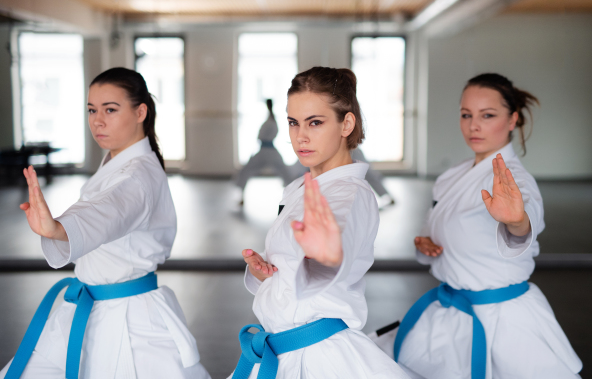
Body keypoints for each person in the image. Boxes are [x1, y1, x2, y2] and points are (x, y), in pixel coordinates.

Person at [0, 68, 210, 379]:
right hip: (87, 307)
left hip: (128, 320)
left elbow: (110, 212)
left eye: (110, 109)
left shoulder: (137, 177)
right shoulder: (119, 161)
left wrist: (58, 229)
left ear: (140, 112)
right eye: (92, 110)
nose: (98, 120)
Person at [371, 73, 582, 378]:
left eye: (488, 115)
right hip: (449, 312)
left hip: (504, 321)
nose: (474, 125)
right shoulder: (450, 177)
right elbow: (442, 234)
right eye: (466, 115)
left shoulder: (515, 182)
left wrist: (517, 221)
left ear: (512, 120)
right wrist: (427, 245)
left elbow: (526, 228)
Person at [229, 67, 409, 379]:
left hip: (318, 359)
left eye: (315, 122)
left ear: (346, 123)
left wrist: (329, 256)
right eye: (293, 122)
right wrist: (269, 274)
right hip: (284, 350)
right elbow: (297, 268)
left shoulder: (349, 195)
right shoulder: (302, 187)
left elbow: (338, 241)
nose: (300, 136)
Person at [235, 99, 294, 205]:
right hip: (267, 150)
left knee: (247, 170)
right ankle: (241, 197)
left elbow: (261, 136)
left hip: (266, 150)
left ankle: (293, 195)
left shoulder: (270, 121)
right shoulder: (271, 120)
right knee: (283, 171)